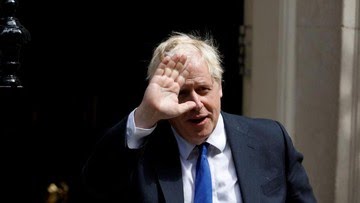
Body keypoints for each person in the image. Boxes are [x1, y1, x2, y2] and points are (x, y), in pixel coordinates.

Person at [81, 31, 317, 203]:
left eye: (203, 89)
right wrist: (145, 113)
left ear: (220, 86)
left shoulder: (270, 140)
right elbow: (95, 184)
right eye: (182, 93)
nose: (196, 103)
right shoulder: (142, 155)